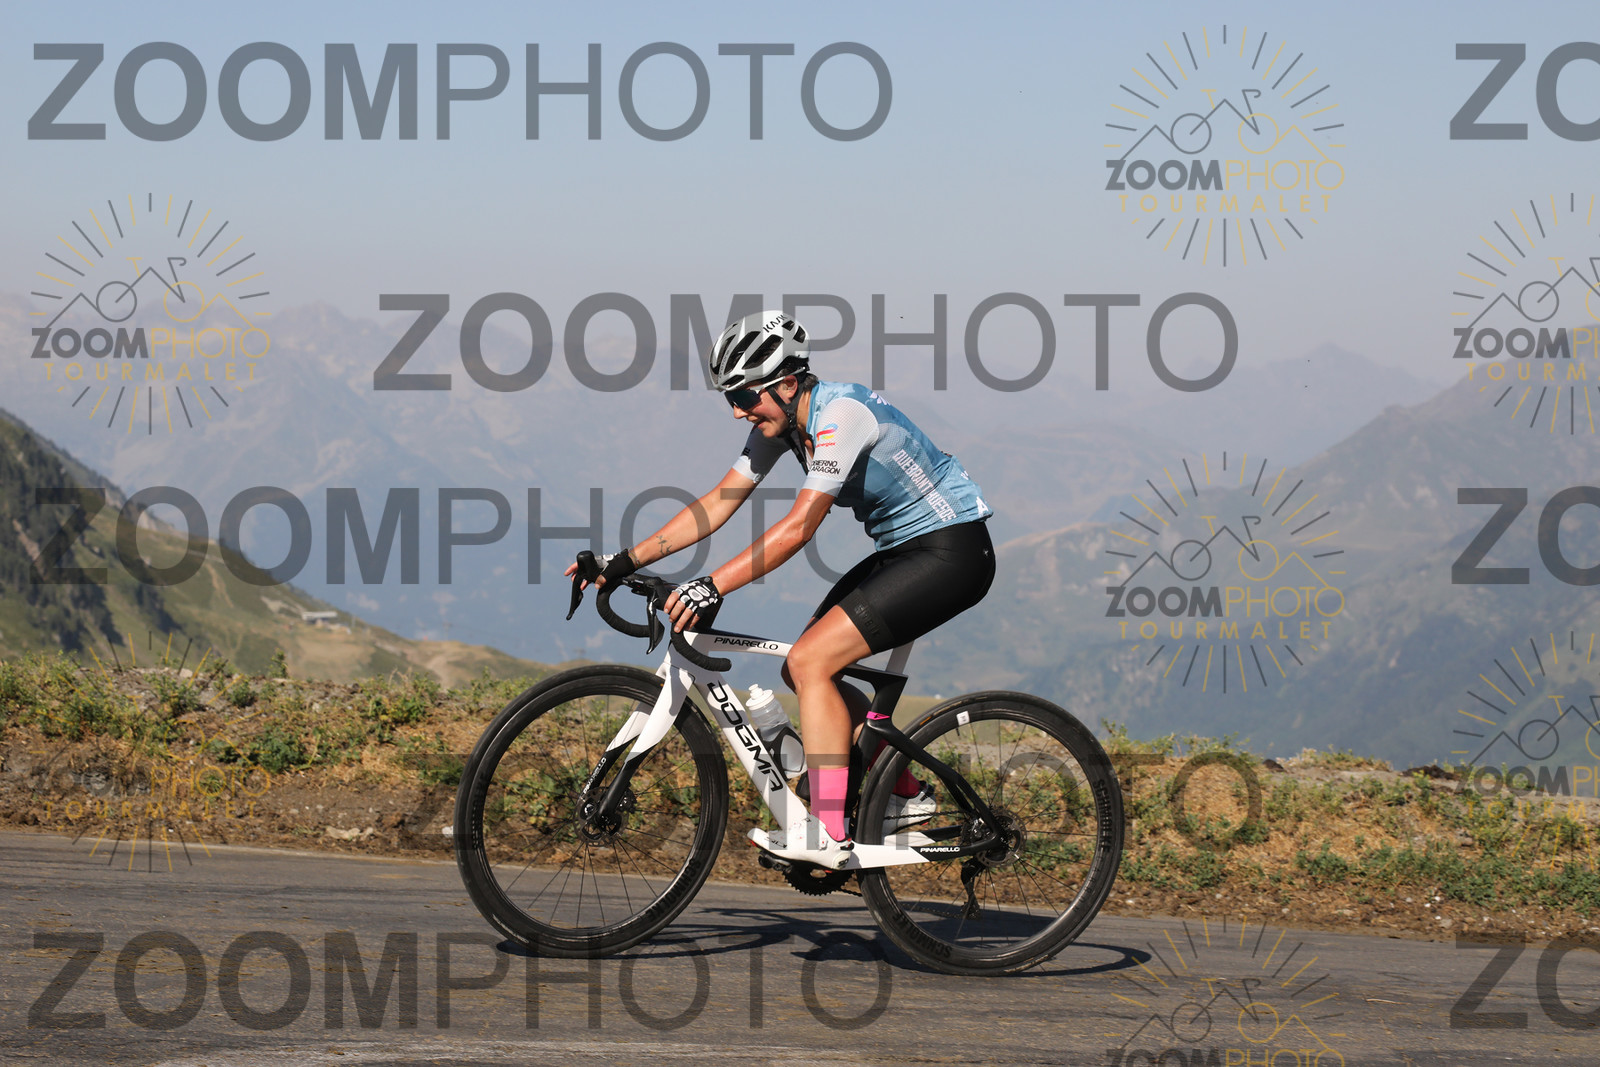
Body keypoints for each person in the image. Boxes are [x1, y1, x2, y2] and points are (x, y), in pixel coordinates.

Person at [565, 310, 994, 869]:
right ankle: (904, 794)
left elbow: (798, 528)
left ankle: (829, 833)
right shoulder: (783, 423)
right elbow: (717, 503)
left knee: (812, 660)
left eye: (745, 396)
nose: (737, 411)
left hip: (951, 552)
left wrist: (711, 585)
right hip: (903, 552)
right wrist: (622, 561)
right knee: (803, 667)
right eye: (730, 398)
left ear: (787, 384)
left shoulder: (841, 416)